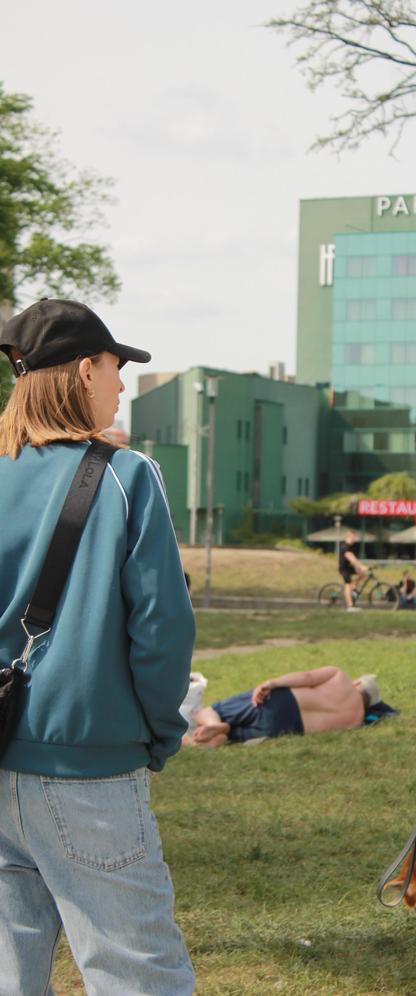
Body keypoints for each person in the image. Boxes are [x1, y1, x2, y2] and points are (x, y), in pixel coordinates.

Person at [0, 299, 195, 995]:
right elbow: (162, 633)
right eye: (116, 368)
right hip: (88, 769)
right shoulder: (125, 475)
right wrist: (160, 731)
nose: (119, 385)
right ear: (86, 370)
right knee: (136, 972)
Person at [190, 667, 381, 746]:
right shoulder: (356, 721)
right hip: (285, 728)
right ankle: (211, 737)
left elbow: (308, 677)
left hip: (283, 701)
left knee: (208, 711)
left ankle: (214, 723)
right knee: (228, 738)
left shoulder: (340, 676)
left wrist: (272, 683)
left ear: (358, 684)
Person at [338, 529, 369, 610]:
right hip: (344, 569)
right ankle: (350, 606)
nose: (355, 539)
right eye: (354, 537)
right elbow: (351, 558)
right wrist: (361, 566)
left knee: (363, 573)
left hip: (349, 567)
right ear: (349, 537)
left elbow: (354, 559)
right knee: (347, 585)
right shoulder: (344, 546)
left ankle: (354, 587)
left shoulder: (351, 547)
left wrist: (359, 568)